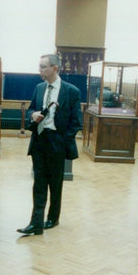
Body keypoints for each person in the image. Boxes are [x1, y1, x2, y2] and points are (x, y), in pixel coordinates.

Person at [17, 53, 83, 236]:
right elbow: (31, 108)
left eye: (43, 67)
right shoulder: (39, 88)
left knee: (55, 183)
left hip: (58, 143)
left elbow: (77, 122)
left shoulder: (71, 91)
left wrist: (62, 142)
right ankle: (35, 223)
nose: (40, 71)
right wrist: (33, 115)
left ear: (54, 68)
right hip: (39, 141)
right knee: (39, 183)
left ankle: (53, 218)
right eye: (39, 67)